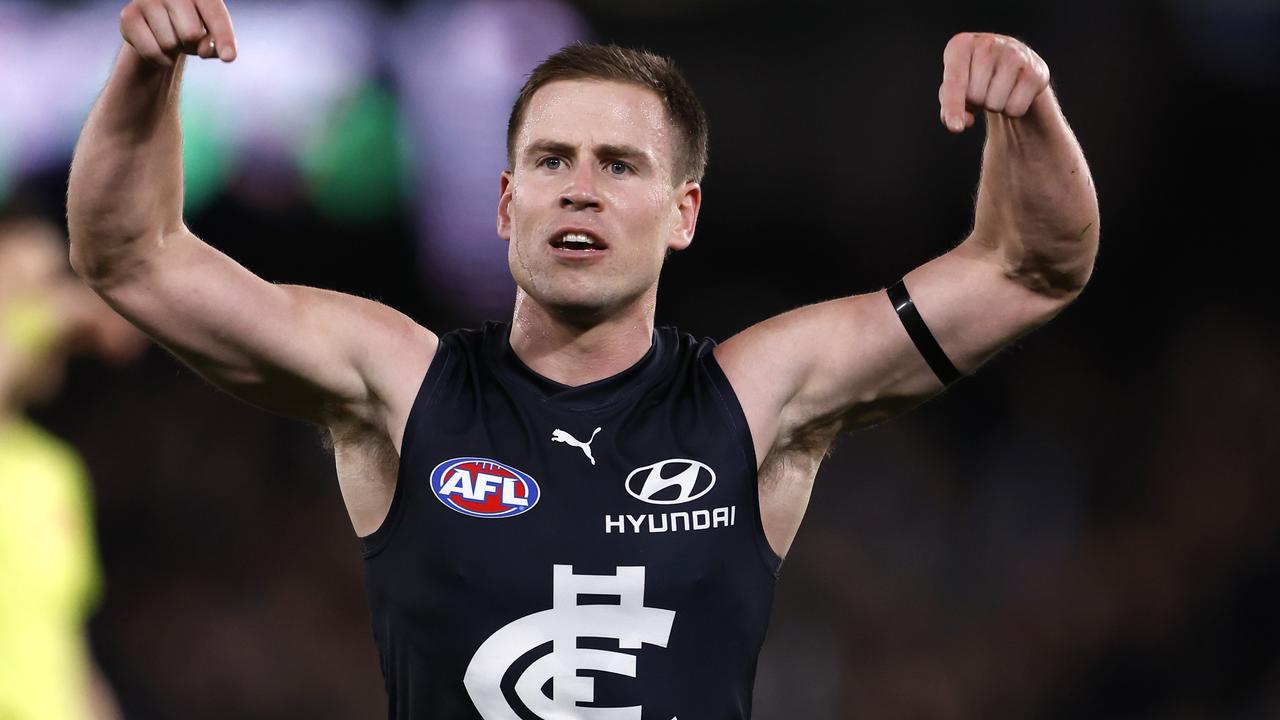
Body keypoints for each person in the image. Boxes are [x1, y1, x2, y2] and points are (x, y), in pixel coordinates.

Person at [66, 1, 1099, 717]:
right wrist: (146, 77)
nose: (580, 189)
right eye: (550, 162)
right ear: (506, 202)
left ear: (681, 212)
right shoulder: (400, 386)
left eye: (620, 165)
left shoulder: (755, 399)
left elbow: (1029, 269)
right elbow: (133, 257)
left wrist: (1026, 111)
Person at [0, 215, 139, 720]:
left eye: (55, 282)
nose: (51, 298)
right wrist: (58, 314)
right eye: (26, 289)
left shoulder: (54, 471)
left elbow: (66, 655)